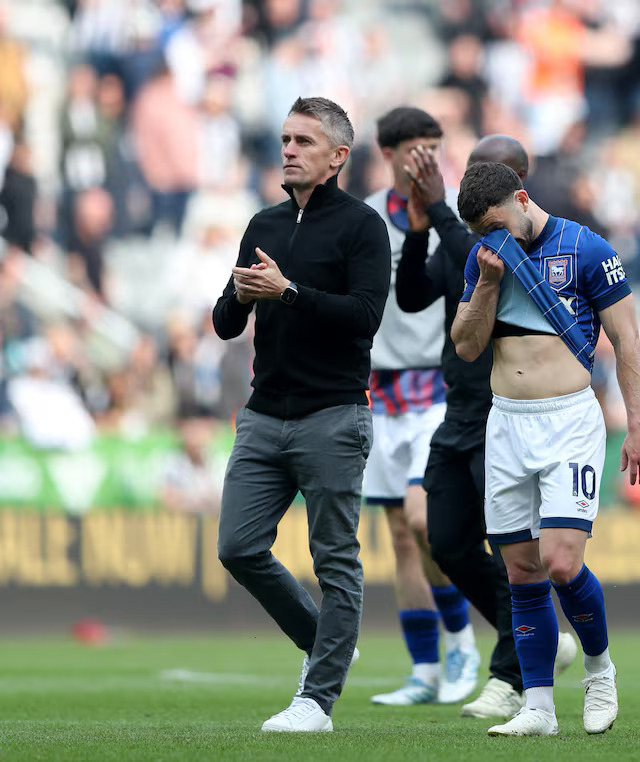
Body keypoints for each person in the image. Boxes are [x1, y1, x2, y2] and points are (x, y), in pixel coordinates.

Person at [451, 161, 640, 737]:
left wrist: (639, 424)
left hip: (567, 420)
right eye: (479, 232)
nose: (491, 239)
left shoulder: (587, 248)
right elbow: (467, 347)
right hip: (507, 423)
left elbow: (627, 340)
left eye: (497, 225)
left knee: (561, 563)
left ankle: (599, 669)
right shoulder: (483, 259)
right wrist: (488, 284)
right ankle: (538, 708)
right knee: (520, 571)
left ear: (522, 199)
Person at [212, 96, 391, 732]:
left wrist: (289, 291)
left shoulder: (362, 227)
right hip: (264, 414)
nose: (288, 150)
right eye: (286, 139)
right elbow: (225, 321)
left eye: (304, 142)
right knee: (237, 547)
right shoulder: (261, 223)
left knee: (335, 559)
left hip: (333, 415)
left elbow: (366, 317)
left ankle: (316, 702)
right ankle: (328, 643)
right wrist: (238, 295)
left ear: (338, 157)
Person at [396, 135, 578, 719]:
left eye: (485, 178)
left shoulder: (524, 246)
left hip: (505, 409)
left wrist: (443, 213)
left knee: (513, 551)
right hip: (459, 408)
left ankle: (512, 673)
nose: (471, 190)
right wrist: (423, 222)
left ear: (518, 186)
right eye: (468, 176)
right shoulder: (463, 235)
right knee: (444, 539)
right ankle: (542, 641)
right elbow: (412, 294)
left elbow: (468, 246)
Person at [363, 106, 480, 706]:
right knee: (399, 538)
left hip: (435, 388)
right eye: (416, 150)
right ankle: (425, 670)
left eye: (436, 147)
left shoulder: (454, 212)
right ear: (388, 154)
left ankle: (461, 640)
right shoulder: (360, 219)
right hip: (377, 394)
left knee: (422, 520)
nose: (427, 160)